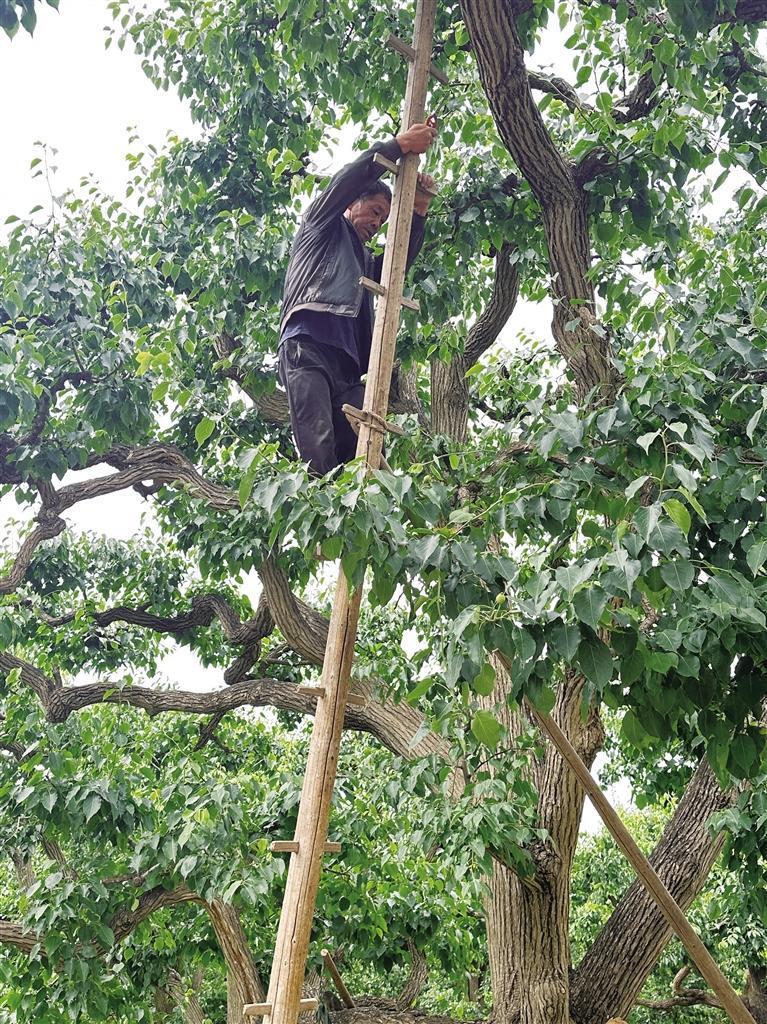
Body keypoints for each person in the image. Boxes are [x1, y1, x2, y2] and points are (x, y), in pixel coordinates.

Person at [278, 122, 437, 475]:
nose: (378, 223)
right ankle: (319, 523)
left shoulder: (363, 261)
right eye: (376, 212)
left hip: (348, 369)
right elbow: (345, 181)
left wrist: (418, 212)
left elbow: (392, 271)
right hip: (308, 348)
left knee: (357, 460)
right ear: (352, 204)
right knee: (318, 457)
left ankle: (356, 523)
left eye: (385, 218)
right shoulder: (321, 226)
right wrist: (397, 146)